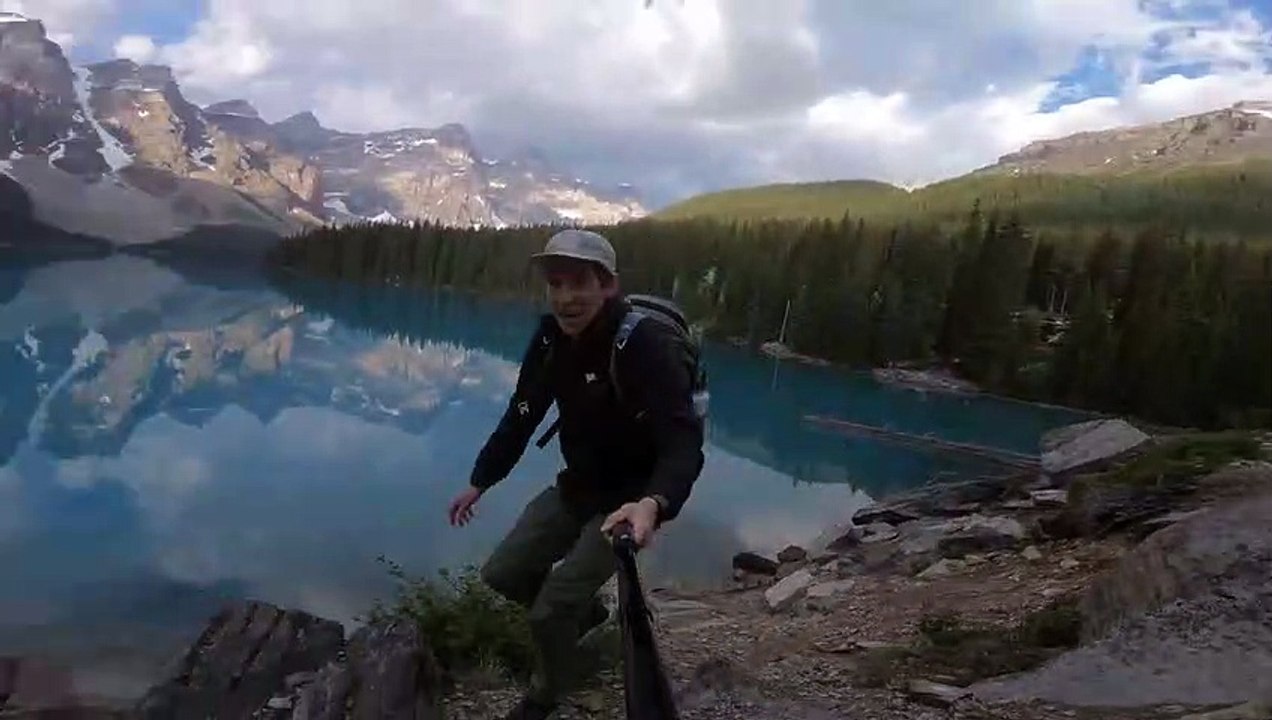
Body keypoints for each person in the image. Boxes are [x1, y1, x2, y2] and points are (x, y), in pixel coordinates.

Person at [447, 228, 705, 719]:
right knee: (503, 573)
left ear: (608, 285)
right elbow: (522, 414)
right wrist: (480, 481)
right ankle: (587, 617)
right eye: (556, 284)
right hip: (579, 485)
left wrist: (653, 504)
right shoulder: (549, 340)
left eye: (579, 283)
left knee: (549, 611)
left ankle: (548, 692)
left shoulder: (642, 344)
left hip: (628, 503)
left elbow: (683, 443)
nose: (565, 298)